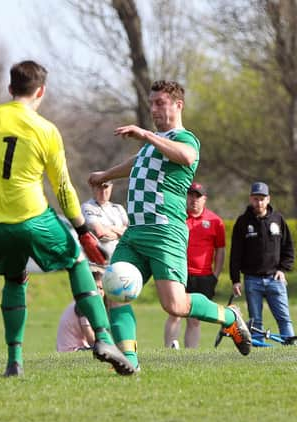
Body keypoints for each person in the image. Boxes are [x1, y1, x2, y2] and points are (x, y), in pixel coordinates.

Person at [0, 60, 135, 377]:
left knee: (14, 278)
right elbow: (63, 187)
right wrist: (82, 231)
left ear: (10, 89)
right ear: (41, 91)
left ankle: (15, 361)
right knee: (77, 262)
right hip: (33, 217)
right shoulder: (46, 130)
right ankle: (104, 338)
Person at [88, 80, 252, 370]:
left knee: (175, 306)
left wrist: (146, 134)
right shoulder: (154, 145)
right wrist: (105, 174)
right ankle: (129, 362)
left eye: (160, 103)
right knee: (115, 292)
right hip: (135, 231)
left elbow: (186, 157)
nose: (154, 109)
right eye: (151, 103)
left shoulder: (186, 139)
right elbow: (136, 162)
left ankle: (229, 318)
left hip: (165, 232)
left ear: (178, 105)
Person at [55, 181, 128, 352]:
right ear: (93, 188)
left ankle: (120, 346)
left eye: (106, 186)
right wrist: (118, 230)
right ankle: (102, 342)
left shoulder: (118, 208)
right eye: (99, 187)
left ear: (111, 188)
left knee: (115, 306)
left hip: (115, 265)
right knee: (96, 302)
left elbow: (128, 231)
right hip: (95, 265)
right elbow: (99, 231)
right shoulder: (87, 207)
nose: (103, 190)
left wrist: (111, 230)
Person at [230, 182, 295, 343]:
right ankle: (259, 350)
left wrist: (282, 269)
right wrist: (236, 280)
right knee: (255, 321)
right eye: (255, 198)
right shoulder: (243, 222)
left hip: (275, 279)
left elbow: (288, 247)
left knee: (284, 318)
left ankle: (291, 347)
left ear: (268, 199)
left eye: (262, 199)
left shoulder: (278, 220)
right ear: (250, 199)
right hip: (252, 280)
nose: (258, 202)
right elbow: (235, 253)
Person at [164, 182, 226, 349]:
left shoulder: (215, 221)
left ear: (204, 199)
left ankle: (191, 352)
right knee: (174, 312)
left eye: (197, 196)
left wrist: (216, 274)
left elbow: (220, 249)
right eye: (191, 195)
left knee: (195, 319)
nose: (193, 199)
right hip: (179, 273)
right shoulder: (178, 217)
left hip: (203, 276)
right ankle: (170, 349)